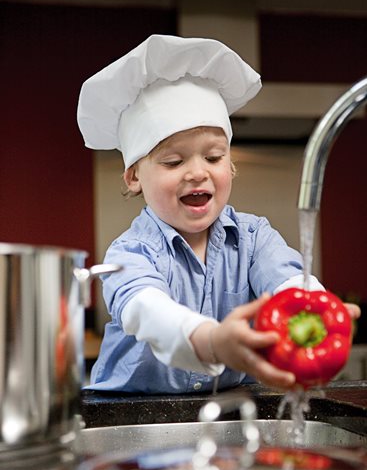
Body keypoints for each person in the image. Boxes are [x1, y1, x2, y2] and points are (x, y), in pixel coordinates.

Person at [77, 34, 359, 394]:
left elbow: (287, 283)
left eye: (213, 157)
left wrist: (318, 308)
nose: (198, 172)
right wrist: (211, 341)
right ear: (134, 176)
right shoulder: (130, 252)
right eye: (173, 161)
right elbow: (145, 310)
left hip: (225, 412)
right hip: (128, 418)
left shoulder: (255, 238)